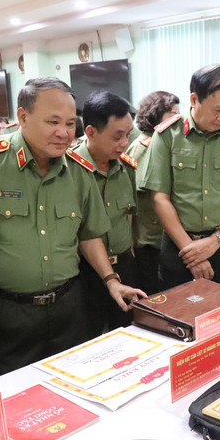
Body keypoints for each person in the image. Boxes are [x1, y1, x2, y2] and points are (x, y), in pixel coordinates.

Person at [0, 77, 145, 379]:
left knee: (78, 386)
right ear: (23, 117)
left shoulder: (78, 170)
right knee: (14, 395)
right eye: (53, 122)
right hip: (9, 312)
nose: (63, 133)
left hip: (69, 308)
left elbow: (89, 235)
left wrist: (111, 280)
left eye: (69, 123)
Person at [142, 65, 220, 289]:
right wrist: (192, 253)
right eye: (217, 109)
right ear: (194, 99)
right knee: (179, 316)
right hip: (179, 248)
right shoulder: (167, 135)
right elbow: (159, 198)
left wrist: (216, 241)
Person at [73, 91, 142, 333]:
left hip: (124, 267)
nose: (125, 143)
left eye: (128, 135)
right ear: (91, 132)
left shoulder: (126, 167)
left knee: (128, 335)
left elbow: (130, 215)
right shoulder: (69, 170)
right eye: (117, 136)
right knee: (88, 341)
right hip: (83, 272)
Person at [126, 90, 180, 295]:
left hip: (162, 238)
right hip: (149, 241)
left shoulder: (161, 144)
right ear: (155, 116)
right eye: (172, 115)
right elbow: (135, 199)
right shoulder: (145, 147)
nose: (177, 121)